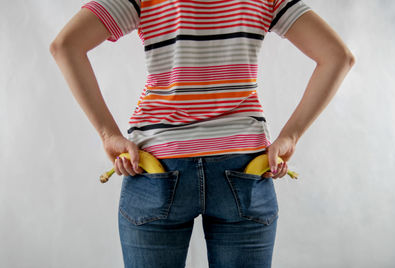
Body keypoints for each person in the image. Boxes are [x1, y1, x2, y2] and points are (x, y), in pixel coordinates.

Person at [50, 0, 355, 267]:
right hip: (244, 168)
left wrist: (108, 134)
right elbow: (338, 56)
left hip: (157, 165)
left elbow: (65, 45)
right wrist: (291, 136)